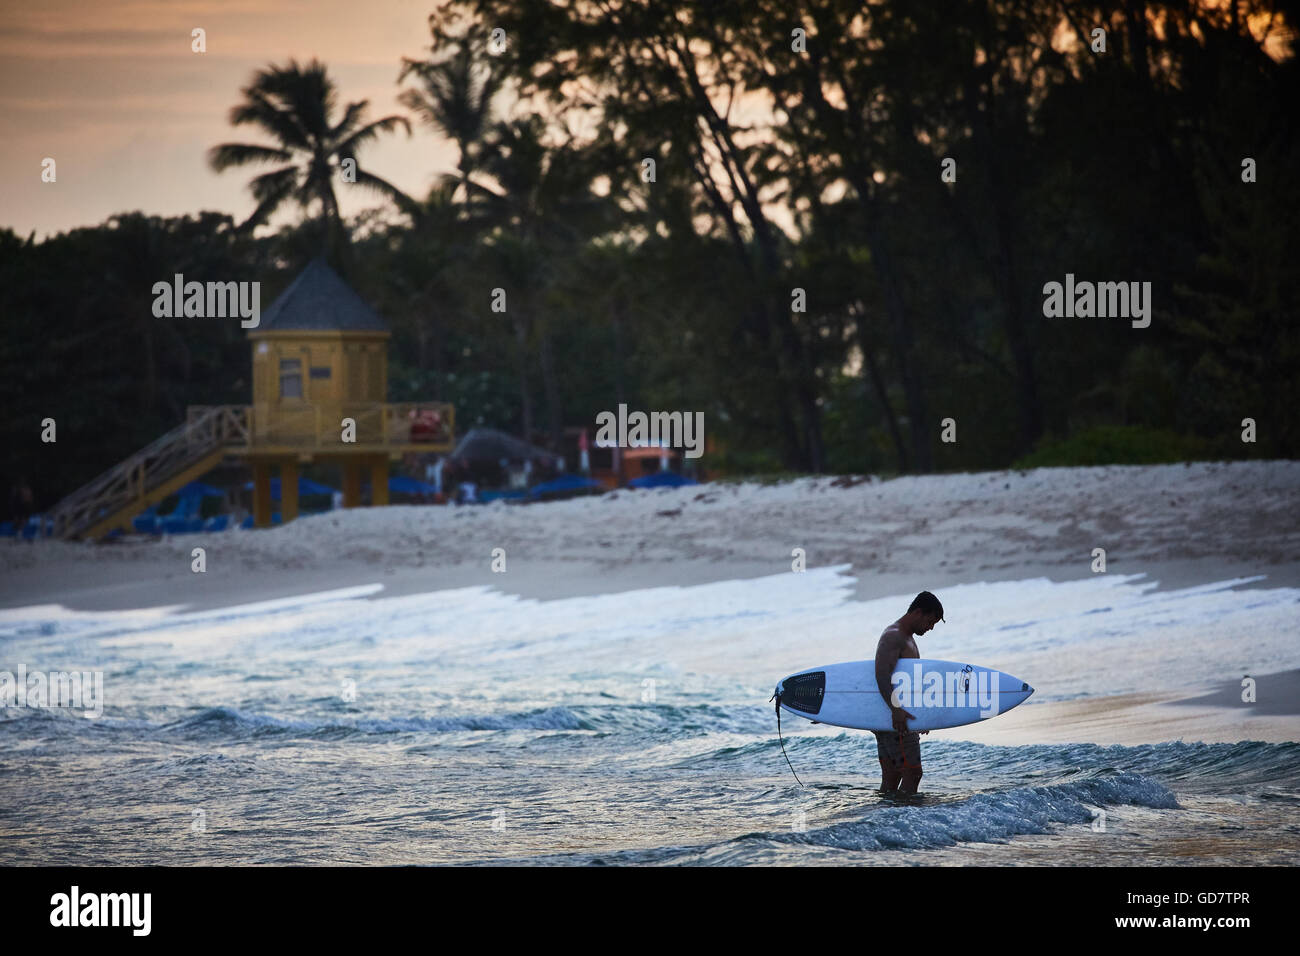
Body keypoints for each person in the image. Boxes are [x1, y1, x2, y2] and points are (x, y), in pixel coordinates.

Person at [873, 591, 944, 794]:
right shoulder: (893, 636)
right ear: (918, 612)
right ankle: (905, 821)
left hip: (894, 716)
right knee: (912, 773)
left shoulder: (906, 638)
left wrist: (921, 716)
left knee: (893, 775)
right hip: (896, 719)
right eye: (931, 621)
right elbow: (882, 675)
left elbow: (907, 682)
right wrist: (897, 711)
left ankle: (885, 820)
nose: (930, 628)